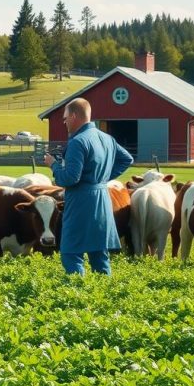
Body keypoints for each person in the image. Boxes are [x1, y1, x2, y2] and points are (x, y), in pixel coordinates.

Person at [43, 98, 133, 275]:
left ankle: (79, 296)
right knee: (99, 254)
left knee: (70, 253)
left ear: (75, 116)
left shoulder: (77, 142)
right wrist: (102, 177)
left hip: (80, 202)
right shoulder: (107, 138)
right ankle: (103, 297)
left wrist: (53, 164)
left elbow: (69, 178)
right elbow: (127, 159)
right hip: (102, 200)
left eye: (65, 117)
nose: (64, 122)